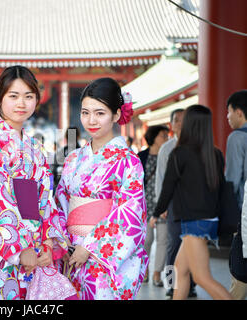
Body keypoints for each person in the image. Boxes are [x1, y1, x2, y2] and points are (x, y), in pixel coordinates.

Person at [0, 65, 68, 300]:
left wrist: (48, 244)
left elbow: (46, 200)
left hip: (38, 249)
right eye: (14, 96)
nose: (22, 103)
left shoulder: (37, 149)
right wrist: (18, 250)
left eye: (29, 96)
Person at [55, 77, 148, 300]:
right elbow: (60, 201)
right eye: (85, 112)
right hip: (70, 253)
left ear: (116, 115)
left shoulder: (128, 161)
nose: (91, 120)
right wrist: (62, 241)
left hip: (101, 255)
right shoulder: (74, 159)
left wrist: (89, 247)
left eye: (100, 113)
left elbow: (130, 213)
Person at [151, 104, 233, 300]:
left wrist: (156, 213)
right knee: (181, 270)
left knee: (202, 277)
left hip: (193, 222)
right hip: (208, 220)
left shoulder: (179, 153)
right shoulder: (215, 153)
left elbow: (167, 188)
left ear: (189, 124)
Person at [154, 108, 197, 297]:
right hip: (172, 205)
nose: (180, 123)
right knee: (173, 246)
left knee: (193, 246)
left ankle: (192, 284)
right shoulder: (167, 148)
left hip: (194, 206)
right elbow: (160, 179)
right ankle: (172, 284)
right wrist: (161, 206)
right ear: (171, 124)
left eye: (184, 120)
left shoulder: (197, 145)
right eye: (177, 120)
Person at [138, 125, 169, 286]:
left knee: (163, 240)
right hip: (144, 205)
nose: (166, 138)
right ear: (154, 137)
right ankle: (145, 271)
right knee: (146, 240)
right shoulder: (141, 156)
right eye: (163, 135)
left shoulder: (168, 155)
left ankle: (157, 273)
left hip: (162, 205)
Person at [225, 89, 247, 300]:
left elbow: (232, 179)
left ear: (239, 112)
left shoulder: (236, 138)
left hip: (243, 213)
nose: (227, 117)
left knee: (240, 270)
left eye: (229, 112)